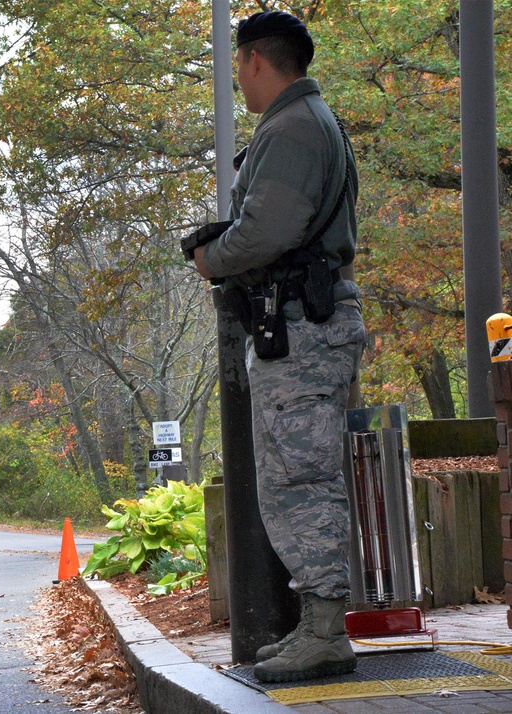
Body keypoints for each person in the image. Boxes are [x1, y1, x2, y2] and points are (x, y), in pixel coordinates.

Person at [193, 11, 366, 683]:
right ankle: (316, 626)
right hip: (301, 325)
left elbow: (267, 231)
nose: (238, 78)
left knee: (302, 477)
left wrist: (212, 257)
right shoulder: (308, 121)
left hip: (303, 329)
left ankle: (325, 633)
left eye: (238, 65)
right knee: (294, 473)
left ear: (256, 60)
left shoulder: (292, 127)